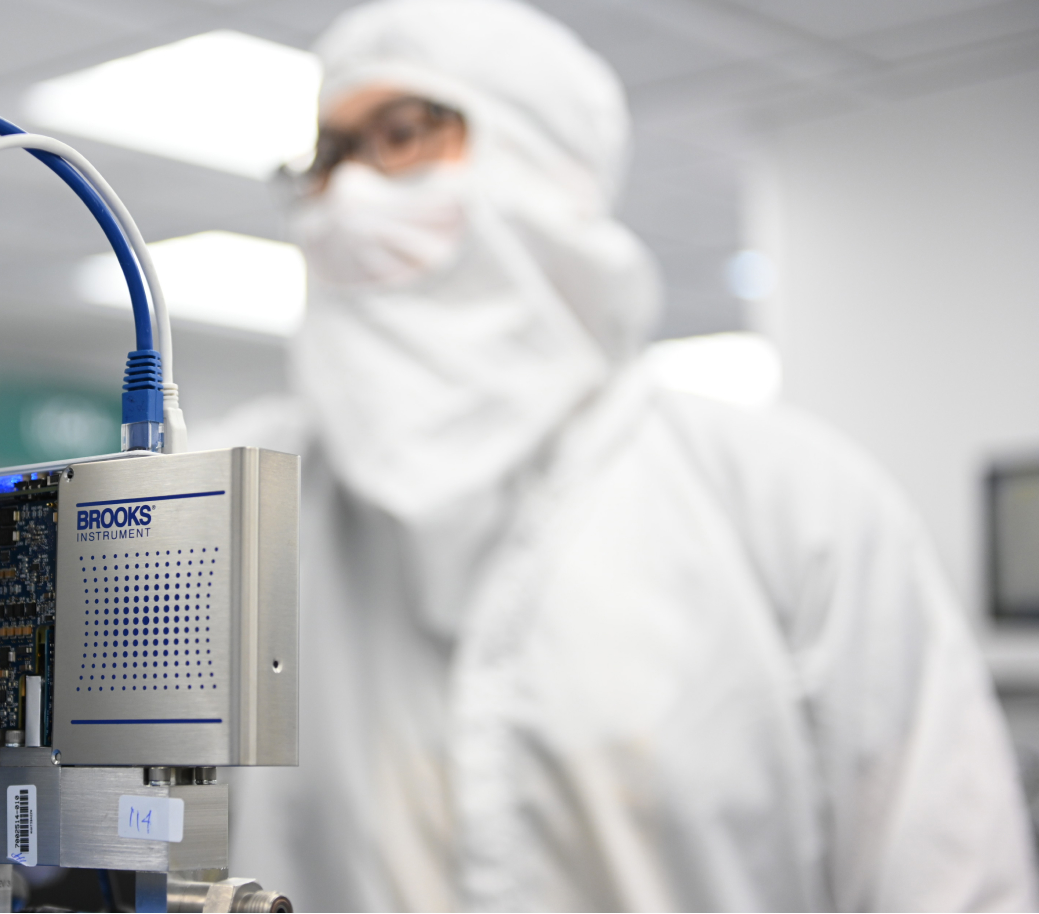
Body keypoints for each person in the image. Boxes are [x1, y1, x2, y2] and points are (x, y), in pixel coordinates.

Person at [201, 0, 1039, 909]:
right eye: (327, 159)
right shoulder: (231, 508)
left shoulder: (796, 506)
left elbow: (951, 881)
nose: (350, 197)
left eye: (405, 133)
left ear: (549, 167)